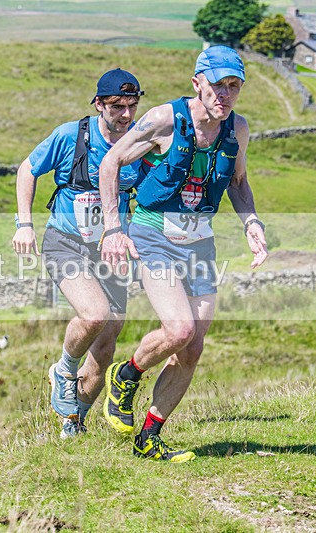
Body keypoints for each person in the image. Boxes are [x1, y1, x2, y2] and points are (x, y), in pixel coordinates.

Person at [99, 46, 268, 462]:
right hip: (154, 233)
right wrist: (113, 228)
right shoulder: (164, 119)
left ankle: (150, 436)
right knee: (178, 330)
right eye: (217, 86)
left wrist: (251, 223)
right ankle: (126, 375)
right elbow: (111, 162)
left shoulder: (237, 130)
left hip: (200, 241)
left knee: (192, 348)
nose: (224, 95)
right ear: (197, 83)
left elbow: (238, 182)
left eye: (234, 87)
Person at [11, 69, 145, 437]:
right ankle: (64, 369)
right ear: (99, 104)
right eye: (117, 106)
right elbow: (28, 169)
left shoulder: (139, 142)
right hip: (66, 242)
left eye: (132, 106)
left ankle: (75, 422)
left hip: (111, 251)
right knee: (95, 314)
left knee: (106, 344)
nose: (126, 115)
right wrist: (25, 224)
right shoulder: (72, 135)